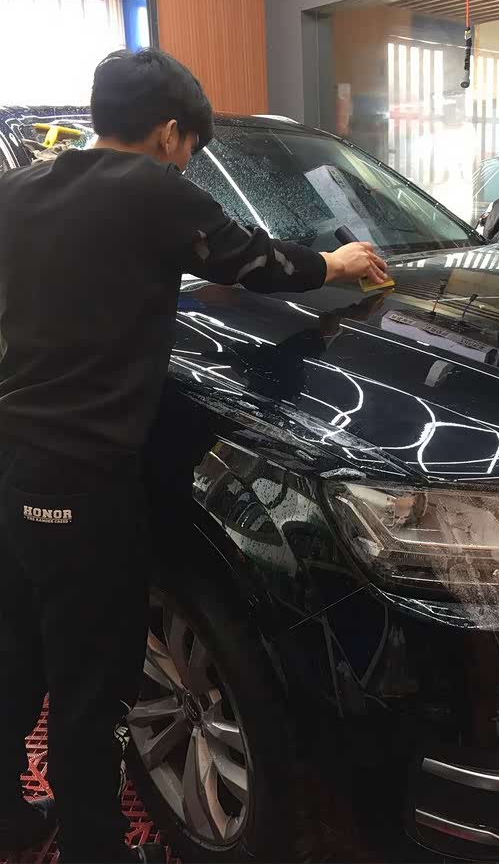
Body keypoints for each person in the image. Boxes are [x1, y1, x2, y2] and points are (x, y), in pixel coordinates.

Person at [0, 48, 388, 864]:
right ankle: (98, 849)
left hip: (12, 463)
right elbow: (255, 261)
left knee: (17, 654)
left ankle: (8, 815)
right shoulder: (155, 191)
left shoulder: (19, 189)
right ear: (170, 133)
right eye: (190, 149)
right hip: (84, 479)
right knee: (95, 678)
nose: (186, 162)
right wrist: (337, 261)